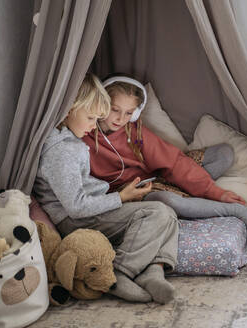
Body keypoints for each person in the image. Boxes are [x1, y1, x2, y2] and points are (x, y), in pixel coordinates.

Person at [33, 73, 179, 304]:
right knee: (158, 213)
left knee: (169, 216)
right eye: (91, 117)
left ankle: (154, 270)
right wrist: (120, 197)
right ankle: (120, 272)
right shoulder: (61, 151)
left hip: (92, 210)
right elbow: (76, 207)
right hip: (75, 220)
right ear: (69, 109)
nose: (93, 126)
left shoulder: (68, 140)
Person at [82, 76, 247, 240]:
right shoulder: (84, 134)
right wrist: (219, 198)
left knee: (223, 154)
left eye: (129, 113)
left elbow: (174, 162)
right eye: (115, 110)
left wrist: (217, 192)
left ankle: (191, 195)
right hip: (135, 192)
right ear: (102, 103)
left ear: (136, 113)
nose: (121, 118)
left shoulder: (135, 131)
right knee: (167, 201)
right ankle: (234, 211)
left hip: (159, 176)